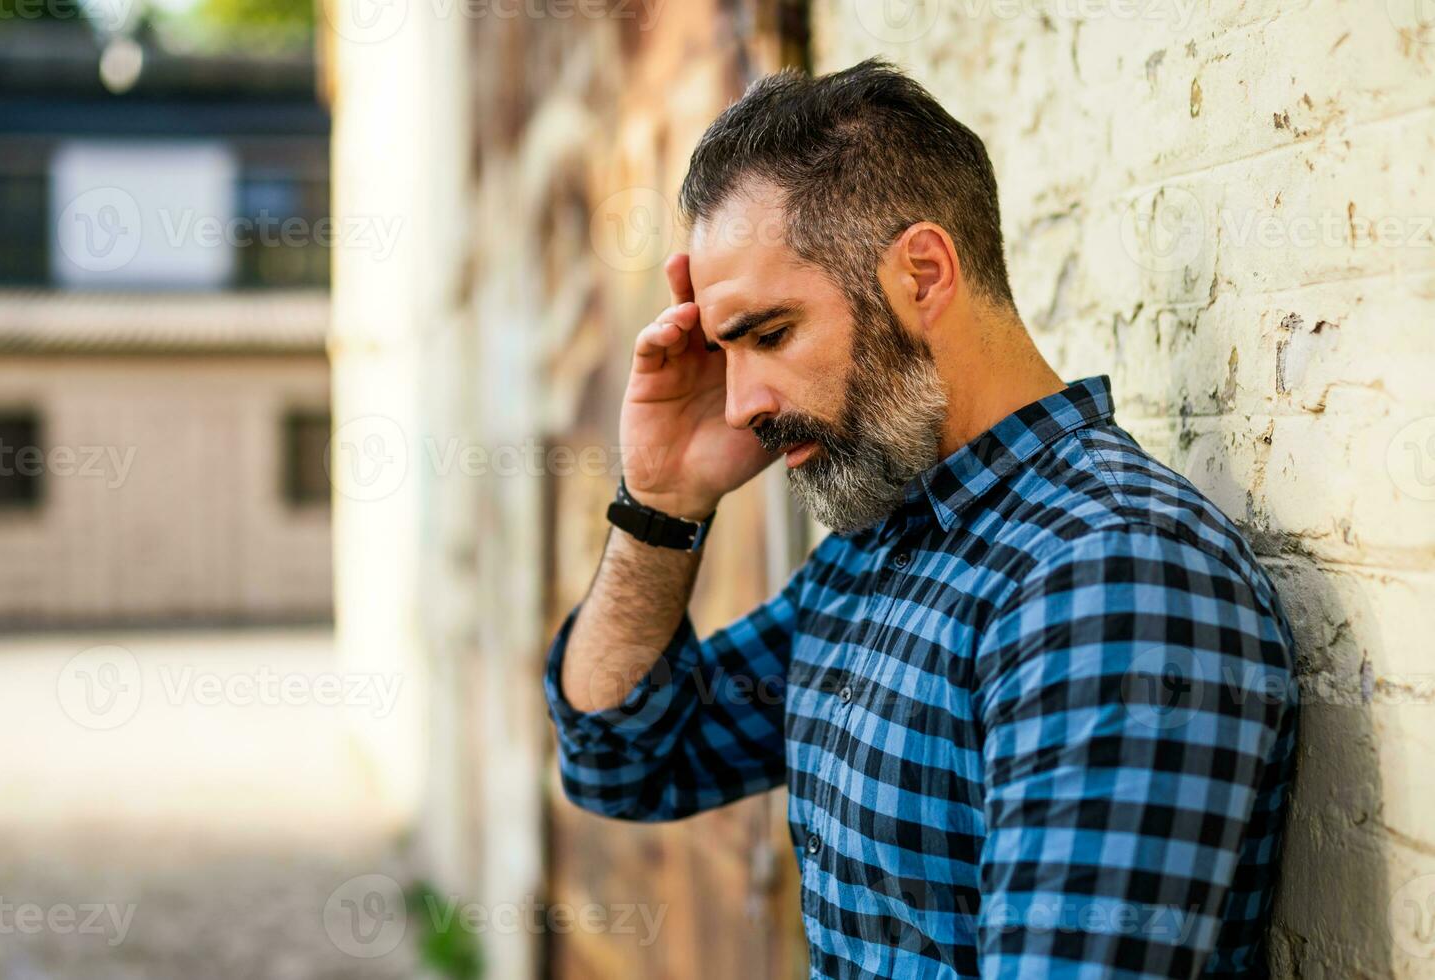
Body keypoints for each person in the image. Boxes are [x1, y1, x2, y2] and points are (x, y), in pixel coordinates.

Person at [543, 58, 1298, 979]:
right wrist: (659, 503)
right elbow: (623, 760)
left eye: (770, 335)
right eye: (725, 349)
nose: (740, 405)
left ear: (924, 274)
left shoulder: (1113, 576)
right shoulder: (878, 547)